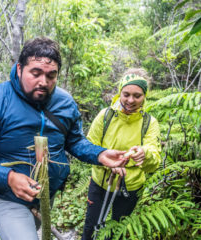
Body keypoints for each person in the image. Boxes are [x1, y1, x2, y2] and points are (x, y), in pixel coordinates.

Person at [0, 37, 128, 240]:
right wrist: (9, 178)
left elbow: (73, 141)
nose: (43, 82)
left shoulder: (65, 102)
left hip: (47, 195)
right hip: (8, 195)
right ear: (20, 69)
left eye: (51, 75)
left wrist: (100, 155)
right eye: (35, 73)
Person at [82, 69, 162, 240]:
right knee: (90, 226)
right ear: (120, 93)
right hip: (100, 182)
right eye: (126, 94)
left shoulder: (149, 123)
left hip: (130, 186)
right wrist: (107, 161)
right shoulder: (106, 116)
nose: (131, 100)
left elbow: (154, 159)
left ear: (144, 96)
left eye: (137, 95)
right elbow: (88, 147)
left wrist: (144, 154)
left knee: (116, 230)